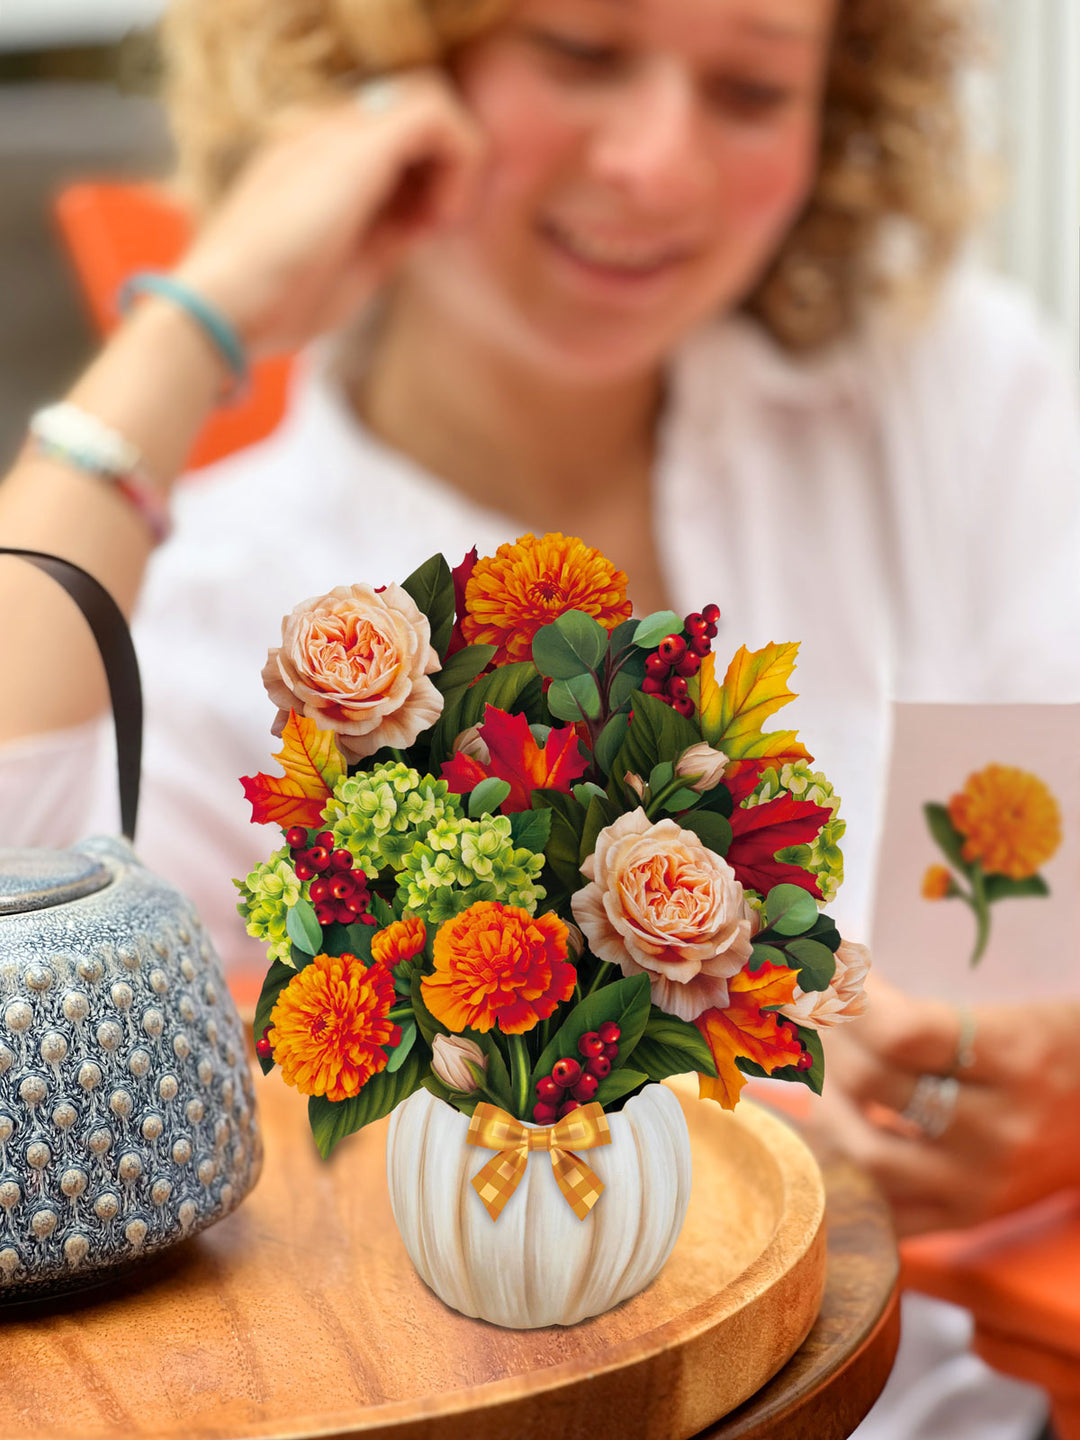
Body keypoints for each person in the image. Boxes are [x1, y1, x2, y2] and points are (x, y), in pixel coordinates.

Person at [1, 0, 1078, 1434]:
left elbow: (1021, 906)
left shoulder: (939, 402)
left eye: (753, 89)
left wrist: (1041, 1080)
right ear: (384, 72)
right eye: (577, 52)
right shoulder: (222, 618)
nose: (655, 165)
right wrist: (208, 314)